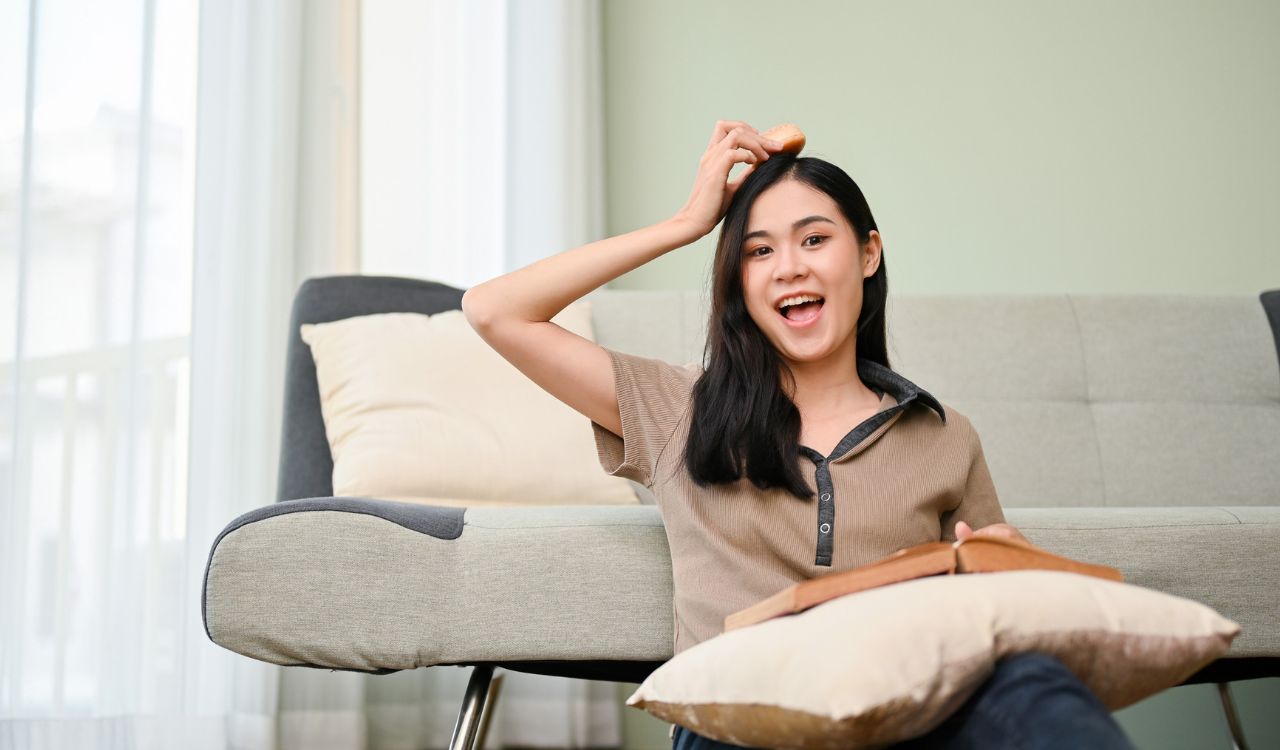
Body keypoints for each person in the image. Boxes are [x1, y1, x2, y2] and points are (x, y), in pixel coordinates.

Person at [461, 120, 1136, 749]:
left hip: (892, 710)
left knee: (1029, 683)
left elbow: (985, 610)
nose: (788, 267)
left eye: (815, 239)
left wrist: (1006, 565)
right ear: (741, 282)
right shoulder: (678, 409)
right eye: (758, 251)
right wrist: (687, 223)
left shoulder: (942, 434)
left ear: (868, 253)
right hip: (736, 715)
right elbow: (494, 311)